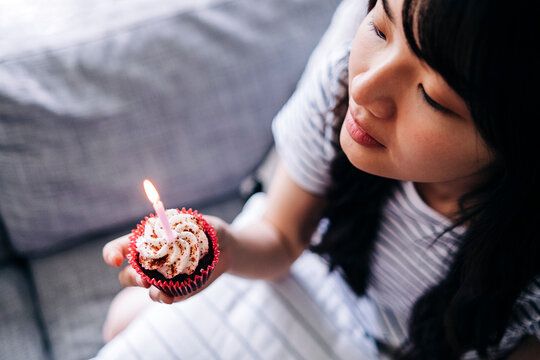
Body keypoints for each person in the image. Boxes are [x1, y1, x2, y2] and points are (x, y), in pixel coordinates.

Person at [101, 0, 540, 358]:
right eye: (381, 30)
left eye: (431, 96)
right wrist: (226, 249)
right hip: (322, 276)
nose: (365, 89)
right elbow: (283, 236)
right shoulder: (338, 94)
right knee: (124, 318)